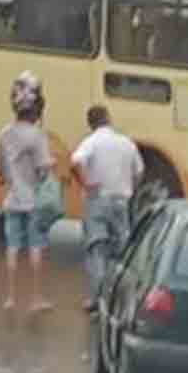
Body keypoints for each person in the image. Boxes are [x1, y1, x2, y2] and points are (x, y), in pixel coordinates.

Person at [71, 106, 144, 313]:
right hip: (121, 200)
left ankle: (97, 299)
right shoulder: (126, 143)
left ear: (91, 123)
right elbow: (139, 171)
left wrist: (85, 184)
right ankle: (124, 297)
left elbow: (75, 162)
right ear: (108, 119)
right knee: (123, 250)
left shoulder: (91, 141)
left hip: (97, 200)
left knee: (97, 249)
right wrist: (130, 188)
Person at [0, 72, 55, 312]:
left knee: (12, 247)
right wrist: (50, 167)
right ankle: (35, 298)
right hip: (33, 201)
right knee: (36, 247)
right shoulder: (37, 136)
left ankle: (10, 298)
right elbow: (42, 170)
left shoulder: (3, 134)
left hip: (12, 200)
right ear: (37, 107)